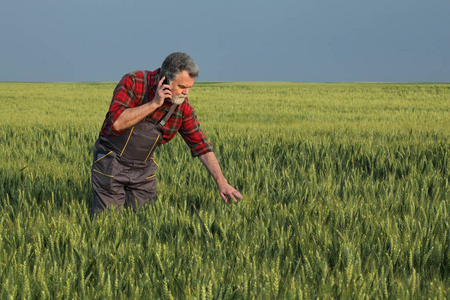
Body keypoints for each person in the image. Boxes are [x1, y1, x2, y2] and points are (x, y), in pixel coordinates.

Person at [91, 52, 242, 215]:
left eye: (189, 88)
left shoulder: (182, 108)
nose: (186, 93)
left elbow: (201, 145)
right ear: (164, 81)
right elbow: (117, 123)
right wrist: (154, 103)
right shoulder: (134, 82)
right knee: (108, 222)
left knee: (145, 222)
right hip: (111, 163)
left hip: (143, 171)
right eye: (182, 87)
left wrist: (222, 181)